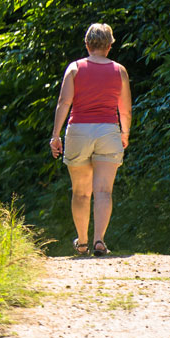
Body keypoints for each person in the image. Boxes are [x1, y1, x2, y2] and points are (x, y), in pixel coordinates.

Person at [49, 23, 131, 256]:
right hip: (108, 130)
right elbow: (124, 110)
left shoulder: (74, 69)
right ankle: (99, 241)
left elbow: (64, 103)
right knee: (104, 191)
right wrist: (124, 133)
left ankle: (83, 242)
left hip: (78, 131)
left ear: (87, 44)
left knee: (80, 192)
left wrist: (55, 134)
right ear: (109, 45)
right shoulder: (120, 71)